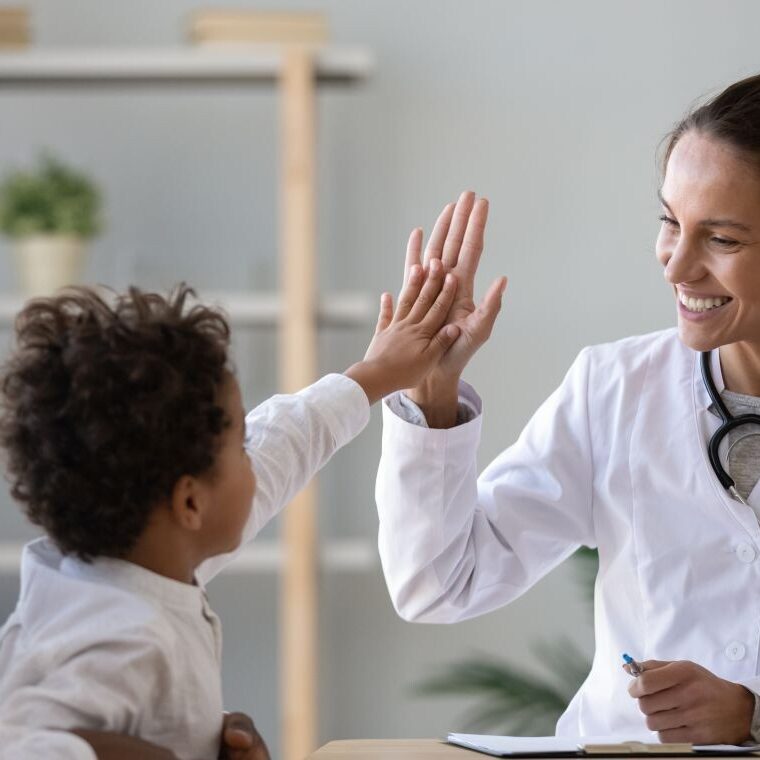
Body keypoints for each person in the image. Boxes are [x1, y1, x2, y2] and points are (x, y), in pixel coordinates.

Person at [376, 74, 760, 744]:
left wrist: (754, 717)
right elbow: (440, 585)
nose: (676, 266)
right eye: (671, 223)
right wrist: (430, 394)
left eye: (721, 239)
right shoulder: (615, 390)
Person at [0, 266, 461, 760]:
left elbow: (278, 446)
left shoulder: (131, 565)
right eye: (240, 446)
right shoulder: (119, 638)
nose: (253, 458)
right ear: (191, 502)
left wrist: (372, 377)